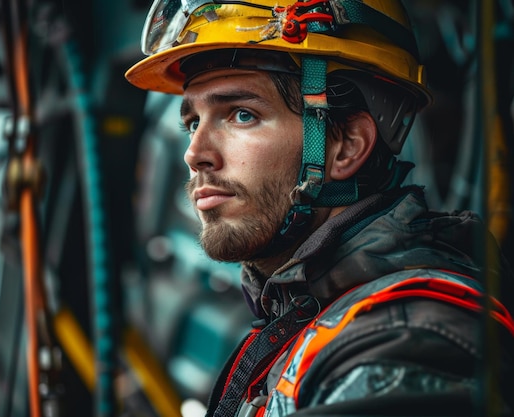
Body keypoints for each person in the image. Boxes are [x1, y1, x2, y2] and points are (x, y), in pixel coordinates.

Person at [125, 1, 514, 416]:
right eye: (192, 123)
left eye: (241, 115)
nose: (195, 153)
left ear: (346, 145)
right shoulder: (306, 318)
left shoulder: (406, 345)